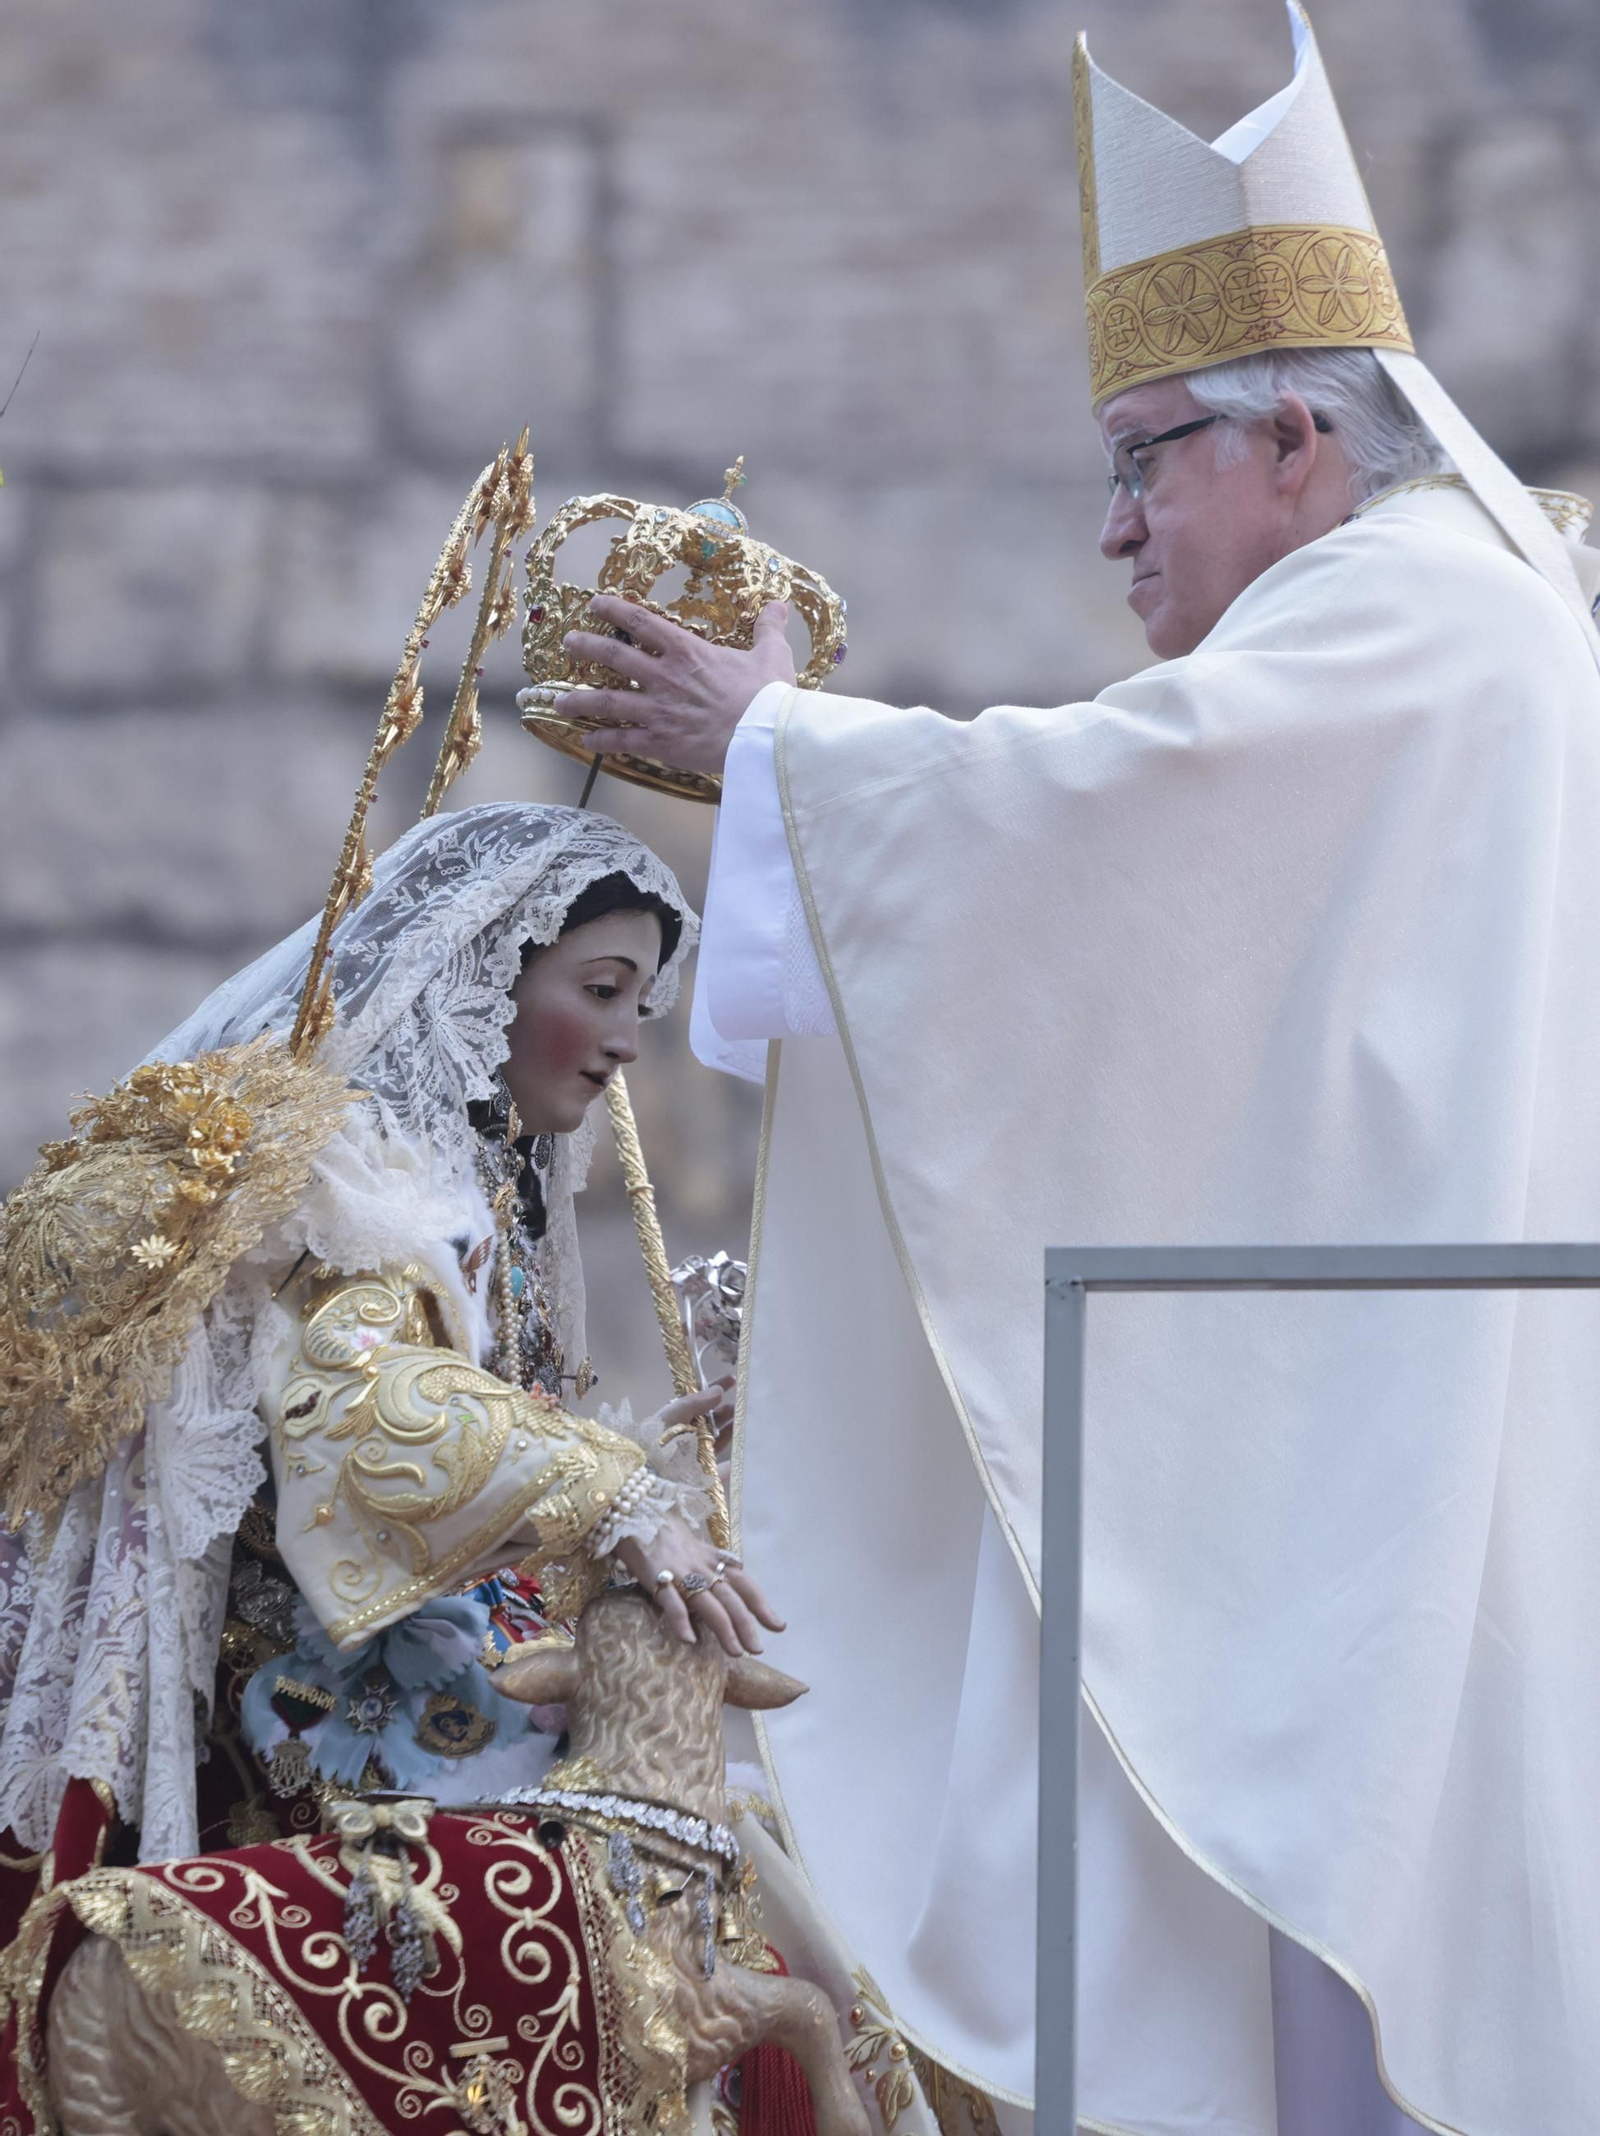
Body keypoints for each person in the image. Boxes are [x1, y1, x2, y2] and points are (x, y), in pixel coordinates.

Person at [551, 9, 1600, 2134]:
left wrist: (775, 753)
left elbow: (1100, 832)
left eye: (1145, 458)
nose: (1113, 532)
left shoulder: (1421, 613)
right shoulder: (1442, 618)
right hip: (1388, 1426)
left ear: (1295, 435)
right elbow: (1201, 984)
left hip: (1409, 1461)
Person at [0, 802, 801, 2133]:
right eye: (597, 991)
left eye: (642, 1009)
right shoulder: (359, 1173)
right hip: (348, 1690)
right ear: (489, 979)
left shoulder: (477, 1191)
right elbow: (361, 1397)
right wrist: (622, 1501)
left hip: (464, 1650)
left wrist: (680, 1451)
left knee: (742, 1858)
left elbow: (518, 1432)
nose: (621, 1043)